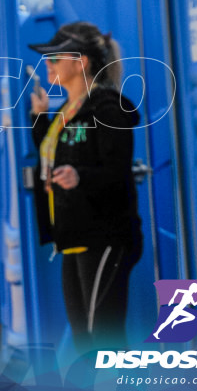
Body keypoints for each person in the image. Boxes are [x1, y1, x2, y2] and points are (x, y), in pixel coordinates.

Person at [28, 21, 143, 354]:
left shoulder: (107, 107)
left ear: (82, 62)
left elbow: (115, 168)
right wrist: (40, 121)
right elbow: (57, 158)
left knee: (103, 337)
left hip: (103, 235)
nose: (48, 65)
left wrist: (80, 177)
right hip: (73, 235)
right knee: (84, 339)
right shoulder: (68, 110)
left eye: (55, 58)